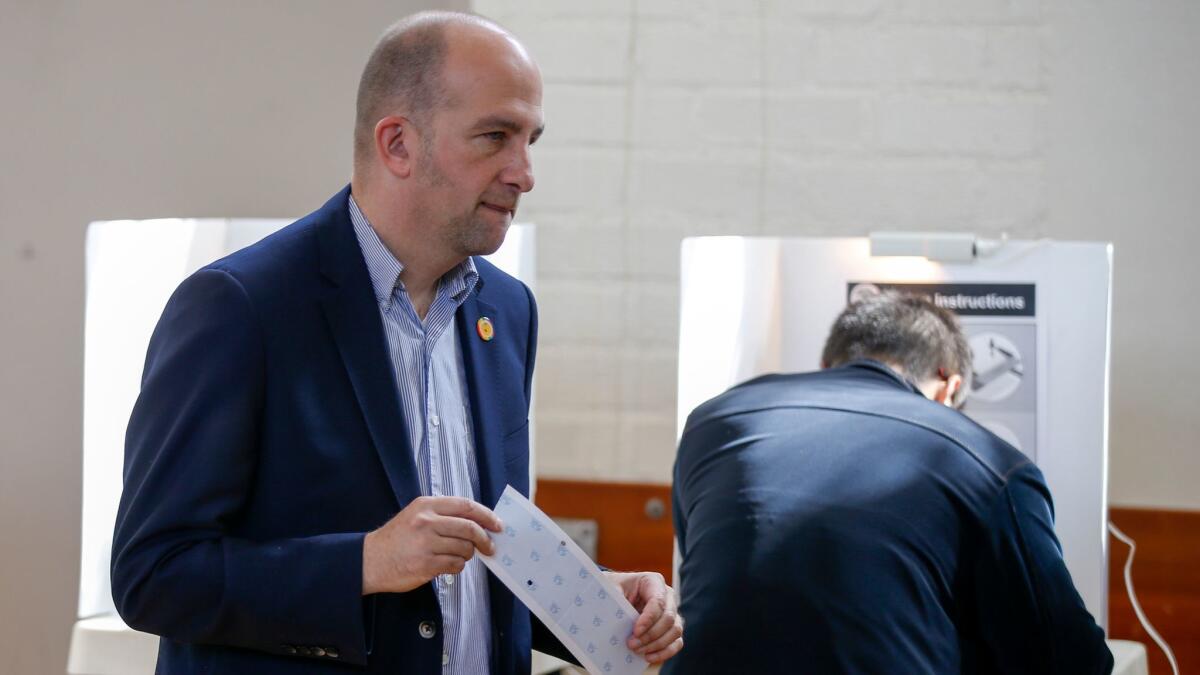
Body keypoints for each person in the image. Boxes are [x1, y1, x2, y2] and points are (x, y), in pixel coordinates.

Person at [111, 12, 682, 674]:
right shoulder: (240, 307)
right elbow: (152, 573)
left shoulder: (508, 311)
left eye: (531, 139)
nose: (524, 172)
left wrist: (593, 598)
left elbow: (476, 558)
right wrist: (363, 562)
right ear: (397, 144)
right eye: (495, 136)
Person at [664, 292, 1112, 674]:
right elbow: (1067, 658)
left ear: (826, 364)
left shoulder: (715, 419)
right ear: (949, 385)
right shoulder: (991, 463)